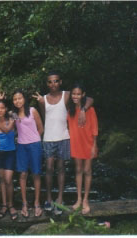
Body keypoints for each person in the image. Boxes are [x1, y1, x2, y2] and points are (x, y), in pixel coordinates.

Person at [33, 71, 93, 215]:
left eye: (55, 81)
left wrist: (84, 109)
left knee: (61, 168)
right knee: (48, 168)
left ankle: (60, 198)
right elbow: (44, 117)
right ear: (47, 84)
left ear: (60, 82)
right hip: (48, 138)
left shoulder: (67, 95)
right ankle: (48, 198)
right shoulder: (43, 100)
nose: (53, 84)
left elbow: (90, 99)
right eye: (50, 82)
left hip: (64, 137)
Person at [67, 84, 98, 215]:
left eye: (78, 94)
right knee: (78, 170)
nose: (75, 96)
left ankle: (86, 200)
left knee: (87, 170)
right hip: (76, 143)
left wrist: (94, 145)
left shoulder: (90, 110)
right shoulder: (70, 110)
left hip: (88, 142)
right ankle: (78, 198)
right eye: (74, 94)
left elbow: (95, 128)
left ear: (83, 95)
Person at [13, 89, 44, 218]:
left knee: (36, 174)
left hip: (34, 145)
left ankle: (37, 203)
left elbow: (41, 128)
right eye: (15, 99)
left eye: (19, 98)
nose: (17, 101)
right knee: (23, 174)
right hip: (21, 146)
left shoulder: (32, 111)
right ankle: (24, 204)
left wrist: (34, 140)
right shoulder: (14, 115)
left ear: (24, 99)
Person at [0, 99, 18, 220]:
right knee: (1, 179)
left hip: (10, 153)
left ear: (6, 108)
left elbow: (7, 130)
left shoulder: (12, 119)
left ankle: (11, 205)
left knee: (8, 179)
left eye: (2, 108)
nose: (0, 110)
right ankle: (3, 205)